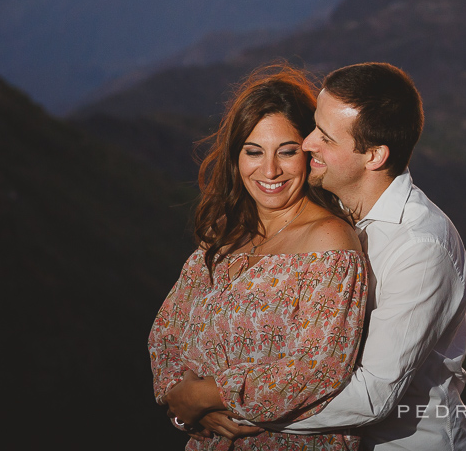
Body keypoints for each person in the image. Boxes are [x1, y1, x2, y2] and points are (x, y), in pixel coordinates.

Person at [214, 62, 466, 450]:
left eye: (326, 138)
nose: (307, 144)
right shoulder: (326, 212)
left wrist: (229, 409)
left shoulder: (421, 248)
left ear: (374, 156)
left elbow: (372, 395)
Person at [148, 65, 368, 450]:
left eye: (287, 151)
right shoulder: (225, 235)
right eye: (253, 151)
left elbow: (319, 370)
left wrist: (208, 395)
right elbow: (166, 334)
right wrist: (183, 404)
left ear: (310, 155)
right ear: (235, 157)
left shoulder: (330, 242)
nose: (269, 170)